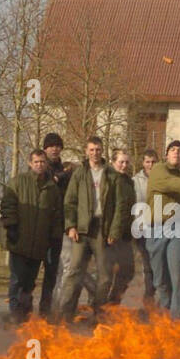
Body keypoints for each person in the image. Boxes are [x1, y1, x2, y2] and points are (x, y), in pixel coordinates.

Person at [54, 136, 128, 322]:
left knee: (105, 275)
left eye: (98, 149)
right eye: (92, 150)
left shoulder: (111, 174)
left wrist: (114, 231)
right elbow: (69, 201)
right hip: (82, 229)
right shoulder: (80, 173)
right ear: (87, 151)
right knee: (74, 272)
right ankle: (65, 314)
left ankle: (99, 314)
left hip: (102, 229)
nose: (95, 153)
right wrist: (70, 225)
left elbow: (120, 205)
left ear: (102, 151)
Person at [1, 150, 63, 323]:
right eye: (36, 162)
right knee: (17, 279)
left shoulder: (51, 188)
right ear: (30, 163)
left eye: (42, 162)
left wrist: (54, 236)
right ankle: (15, 311)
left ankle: (25, 311)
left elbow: (56, 215)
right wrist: (11, 226)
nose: (39, 165)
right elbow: (7, 205)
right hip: (20, 239)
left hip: (39, 243)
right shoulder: (18, 182)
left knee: (29, 280)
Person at [146, 140, 180, 318]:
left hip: (178, 227)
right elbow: (168, 183)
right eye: (173, 150)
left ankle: (176, 317)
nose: (176, 153)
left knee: (178, 273)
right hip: (156, 228)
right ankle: (165, 310)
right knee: (160, 278)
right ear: (166, 155)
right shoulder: (159, 170)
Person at [38, 132, 75, 316]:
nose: (54, 148)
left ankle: (48, 309)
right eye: (51, 145)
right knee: (31, 272)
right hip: (40, 226)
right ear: (45, 149)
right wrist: (61, 175)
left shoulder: (66, 170)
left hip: (58, 227)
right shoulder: (40, 168)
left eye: (57, 146)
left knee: (55, 271)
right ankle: (24, 310)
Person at [106, 149, 139, 305]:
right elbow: (116, 208)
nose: (124, 165)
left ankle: (112, 302)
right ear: (113, 162)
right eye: (121, 162)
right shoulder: (109, 179)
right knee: (105, 273)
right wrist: (113, 232)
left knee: (128, 270)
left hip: (124, 233)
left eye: (127, 162)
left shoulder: (128, 181)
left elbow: (128, 207)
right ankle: (100, 307)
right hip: (110, 233)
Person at [131, 149, 158, 306]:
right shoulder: (135, 181)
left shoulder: (162, 179)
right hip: (142, 229)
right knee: (148, 265)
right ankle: (149, 298)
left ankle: (159, 297)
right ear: (143, 163)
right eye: (148, 162)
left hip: (159, 228)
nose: (150, 165)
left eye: (153, 162)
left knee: (159, 265)